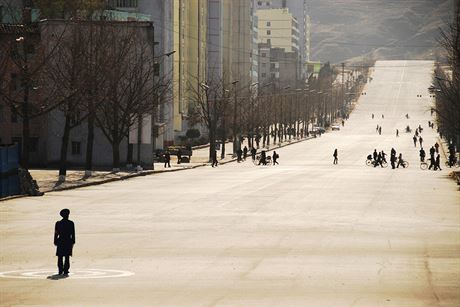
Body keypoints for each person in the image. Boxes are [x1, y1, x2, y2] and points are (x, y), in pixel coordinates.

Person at [54, 209, 75, 276]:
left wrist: (55, 240)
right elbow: (73, 233)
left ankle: (60, 270)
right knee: (67, 256)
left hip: (60, 240)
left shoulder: (58, 223)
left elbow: (56, 233)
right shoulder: (71, 223)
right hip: (68, 240)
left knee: (60, 256)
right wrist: (73, 241)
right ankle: (66, 270)